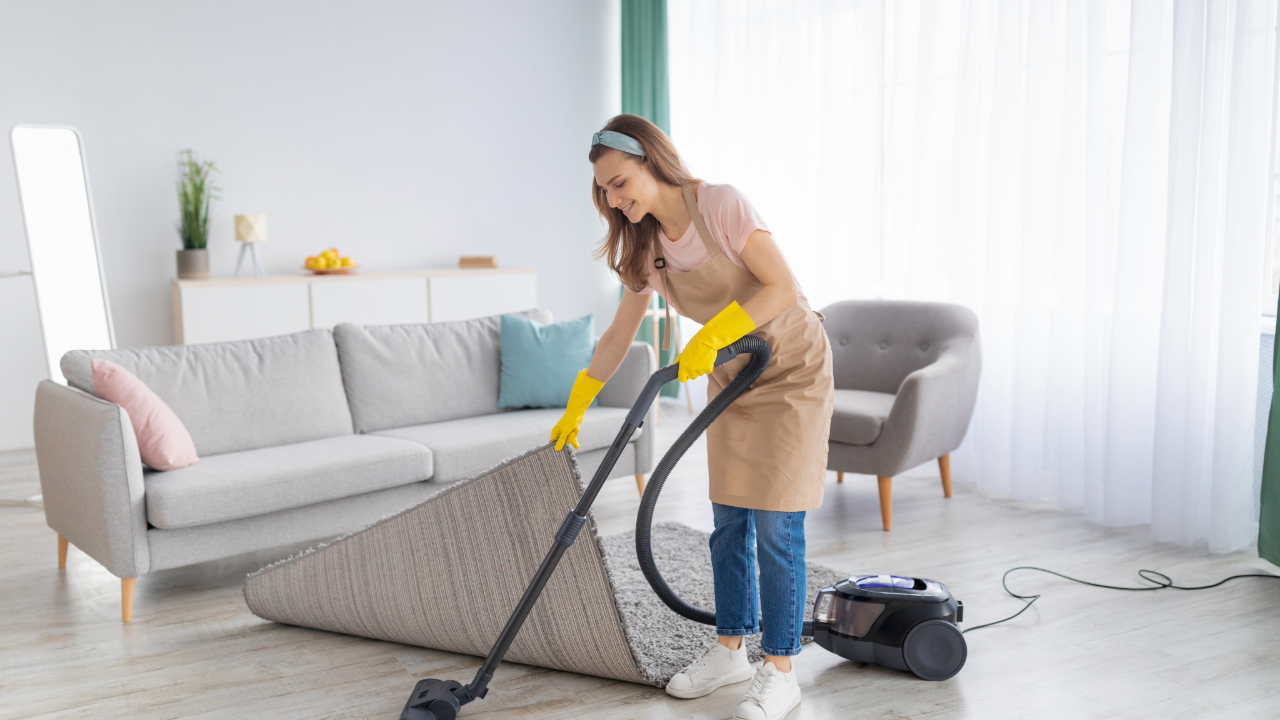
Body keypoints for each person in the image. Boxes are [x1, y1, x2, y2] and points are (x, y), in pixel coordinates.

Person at [549, 114, 834, 720]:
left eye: (621, 183)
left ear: (653, 161)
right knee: (729, 521)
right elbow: (617, 337)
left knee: (777, 524)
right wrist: (579, 398)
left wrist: (717, 333)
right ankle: (730, 647)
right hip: (733, 374)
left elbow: (782, 285)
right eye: (606, 192)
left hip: (791, 368)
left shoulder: (722, 205)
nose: (616, 201)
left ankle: (781, 669)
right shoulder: (644, 246)